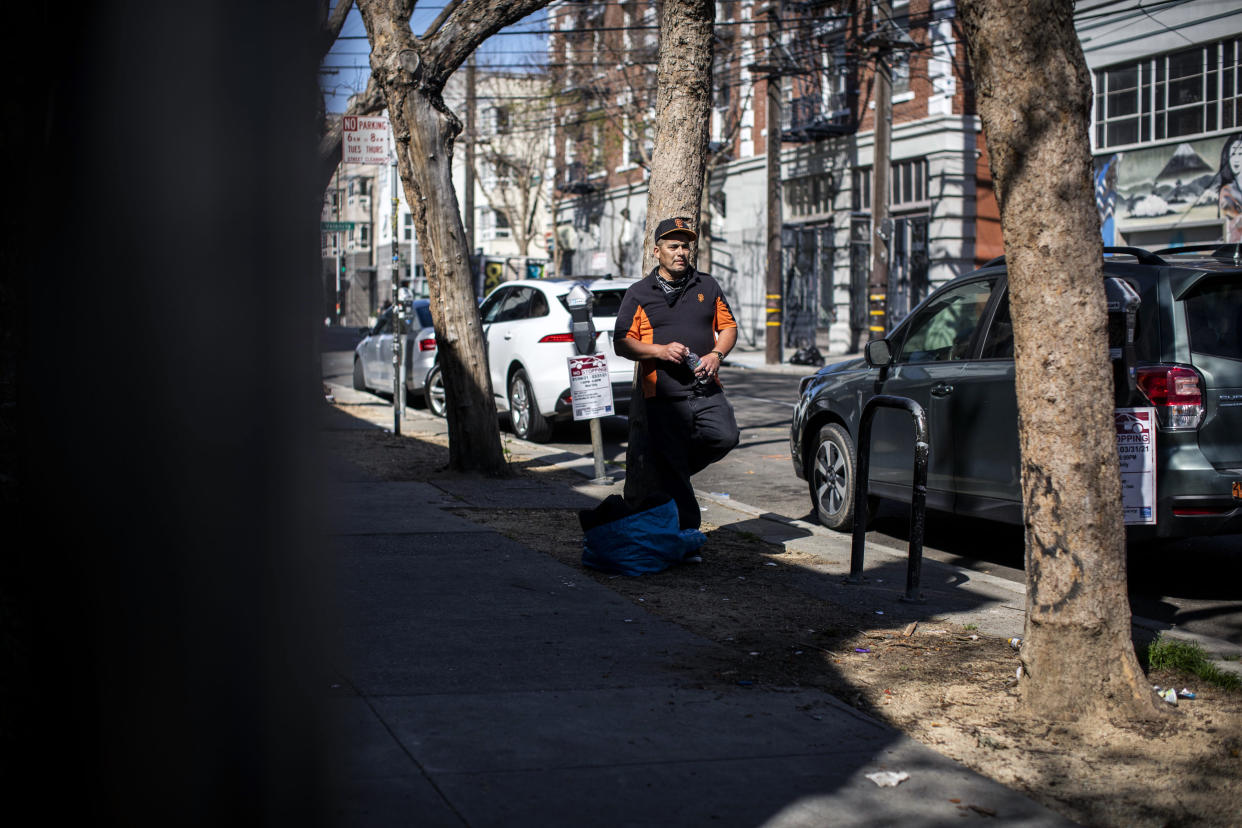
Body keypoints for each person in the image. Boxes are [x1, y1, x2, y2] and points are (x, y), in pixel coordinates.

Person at [614, 217, 740, 531]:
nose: (681, 252)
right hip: (664, 394)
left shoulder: (707, 285)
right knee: (670, 461)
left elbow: (728, 327)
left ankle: (672, 474)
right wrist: (659, 351)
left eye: (685, 245)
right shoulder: (639, 293)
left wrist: (716, 354)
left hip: (705, 387)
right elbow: (622, 342)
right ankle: (688, 534)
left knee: (726, 436)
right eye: (674, 246)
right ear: (657, 251)